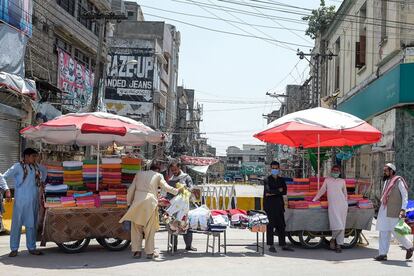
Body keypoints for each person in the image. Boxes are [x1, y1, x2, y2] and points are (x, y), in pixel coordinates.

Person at [120, 161, 183, 259]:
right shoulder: (158, 175)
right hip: (150, 203)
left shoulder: (139, 174)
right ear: (157, 170)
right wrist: (177, 191)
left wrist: (129, 203)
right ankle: (149, 252)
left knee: (136, 228)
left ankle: (137, 251)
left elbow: (131, 189)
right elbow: (166, 187)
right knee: (149, 229)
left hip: (137, 203)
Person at [0, 148, 46, 257]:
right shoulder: (17, 167)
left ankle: (32, 247)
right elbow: (2, 176)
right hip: (20, 201)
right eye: (33, 156)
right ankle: (14, 249)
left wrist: (42, 182)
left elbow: (45, 170)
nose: (35, 158)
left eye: (35, 156)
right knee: (17, 225)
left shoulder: (36, 167)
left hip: (33, 201)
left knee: (32, 225)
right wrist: (7, 190)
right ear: (26, 156)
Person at [374, 163, 414, 261]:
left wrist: (403, 210)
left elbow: (405, 196)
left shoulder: (398, 181)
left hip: (394, 210)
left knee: (397, 232)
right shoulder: (386, 181)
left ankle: (409, 247)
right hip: (384, 210)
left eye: (386, 170)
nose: (384, 172)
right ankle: (382, 254)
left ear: (391, 171)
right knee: (383, 231)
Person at [313, 165, 348, 253]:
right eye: (334, 170)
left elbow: (345, 193)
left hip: (342, 205)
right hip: (333, 206)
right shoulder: (327, 180)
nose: (335, 172)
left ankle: (339, 245)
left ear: (339, 172)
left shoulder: (342, 181)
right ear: (331, 171)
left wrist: (346, 204)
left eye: (337, 170)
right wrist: (315, 199)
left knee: (342, 226)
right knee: (337, 225)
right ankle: (332, 239)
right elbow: (322, 190)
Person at [263, 161, 294, 253]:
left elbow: (284, 191)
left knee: (281, 225)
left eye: (276, 168)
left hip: (279, 205)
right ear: (270, 169)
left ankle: (283, 244)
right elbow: (267, 192)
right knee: (270, 226)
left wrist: (274, 191)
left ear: (279, 169)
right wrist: (278, 190)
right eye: (273, 168)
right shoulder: (267, 179)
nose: (274, 170)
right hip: (270, 206)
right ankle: (271, 245)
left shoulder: (281, 180)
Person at [167, 161, 197, 252]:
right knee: (173, 225)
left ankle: (188, 245)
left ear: (179, 168)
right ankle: (174, 246)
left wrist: (185, 189)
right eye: (172, 170)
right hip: (174, 205)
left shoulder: (186, 177)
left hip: (184, 205)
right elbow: (168, 192)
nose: (174, 172)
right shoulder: (171, 179)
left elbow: (191, 187)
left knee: (186, 225)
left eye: (175, 170)